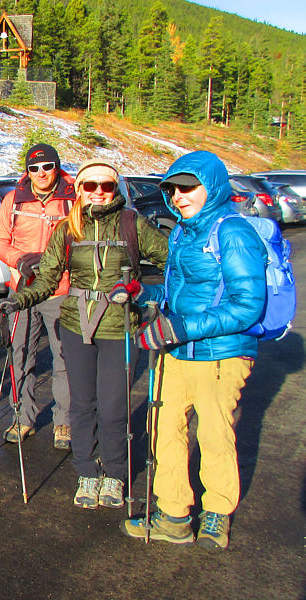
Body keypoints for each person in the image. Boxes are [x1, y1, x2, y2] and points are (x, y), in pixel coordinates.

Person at [0, 159, 167, 510]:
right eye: (91, 187)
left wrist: (149, 295)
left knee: (114, 406)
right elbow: (46, 278)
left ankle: (116, 474)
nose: (99, 193)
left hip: (119, 327)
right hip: (75, 326)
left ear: (115, 189)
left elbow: (172, 263)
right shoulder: (68, 228)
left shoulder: (133, 223)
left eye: (106, 186)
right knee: (83, 405)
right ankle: (87, 471)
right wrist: (17, 302)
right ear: (82, 189)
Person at [121, 151, 266, 549]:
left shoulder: (233, 232)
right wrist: (141, 292)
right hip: (178, 349)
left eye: (188, 187)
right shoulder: (184, 231)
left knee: (216, 432)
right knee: (164, 428)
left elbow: (248, 304)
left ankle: (217, 513)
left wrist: (181, 327)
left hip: (221, 352)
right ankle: (174, 514)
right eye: (172, 188)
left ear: (212, 186)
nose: (179, 195)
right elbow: (178, 292)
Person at [0, 143, 74, 449]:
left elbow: (81, 242)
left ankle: (63, 422)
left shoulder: (72, 198)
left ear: (57, 167)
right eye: (34, 168)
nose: (41, 173)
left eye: (47, 166)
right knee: (20, 355)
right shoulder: (14, 200)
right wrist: (18, 260)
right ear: (28, 171)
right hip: (22, 289)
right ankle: (23, 418)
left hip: (59, 290)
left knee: (64, 357)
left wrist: (58, 263)